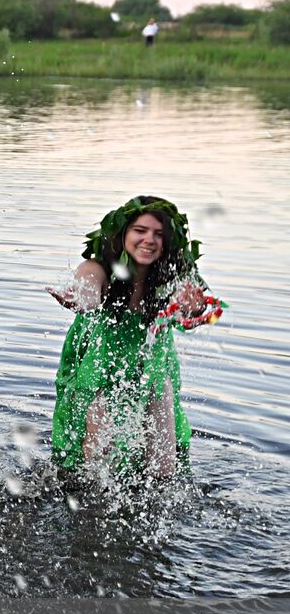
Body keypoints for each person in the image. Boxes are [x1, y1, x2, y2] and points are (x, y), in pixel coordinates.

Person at [49, 196, 211, 476]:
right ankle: (91, 506)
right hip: (100, 361)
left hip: (153, 361)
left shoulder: (172, 276)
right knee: (98, 456)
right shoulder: (99, 267)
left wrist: (191, 306)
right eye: (140, 230)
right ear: (122, 234)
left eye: (159, 234)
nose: (149, 239)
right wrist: (82, 298)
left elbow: (191, 307)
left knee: (162, 463)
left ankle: (158, 500)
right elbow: (88, 285)